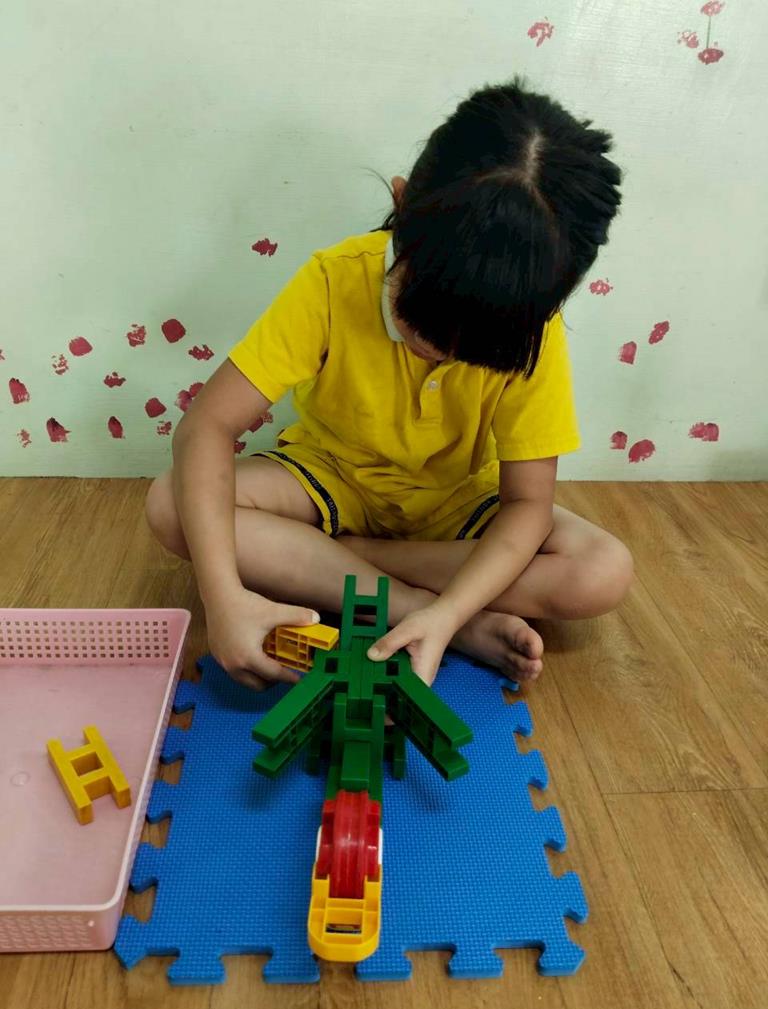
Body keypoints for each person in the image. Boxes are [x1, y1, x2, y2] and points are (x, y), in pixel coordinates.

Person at [146, 75, 633, 690]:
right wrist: (224, 602)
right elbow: (207, 427)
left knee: (602, 571)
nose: (441, 348)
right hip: (332, 479)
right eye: (420, 317)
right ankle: (417, 609)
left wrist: (441, 607)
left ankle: (347, 566)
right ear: (401, 206)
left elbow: (527, 505)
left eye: (477, 343)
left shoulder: (533, 325)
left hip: (455, 504)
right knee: (171, 505)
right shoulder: (334, 279)